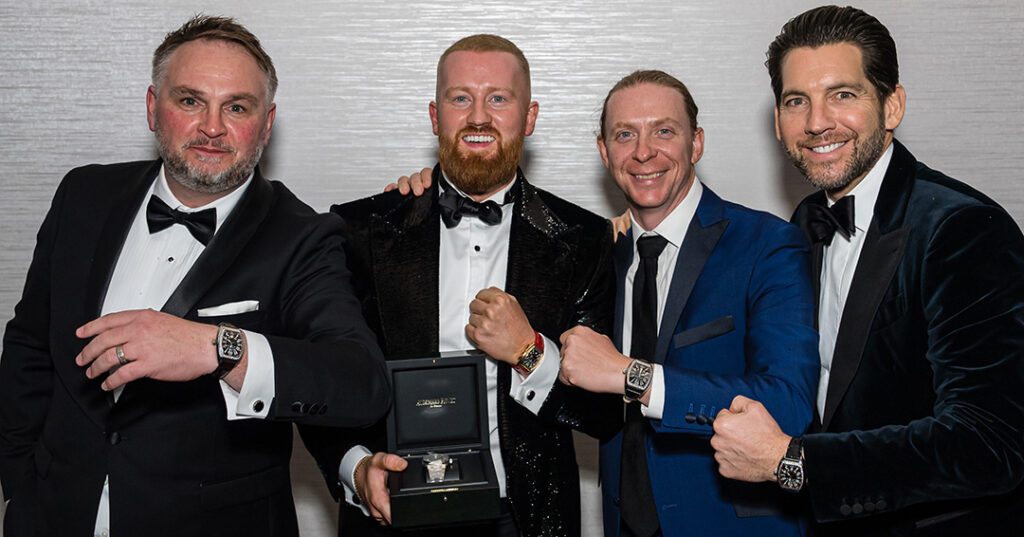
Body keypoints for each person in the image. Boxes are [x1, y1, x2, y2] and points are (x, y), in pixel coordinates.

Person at [0, 15, 390, 537]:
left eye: (236, 107)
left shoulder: (302, 237)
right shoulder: (82, 195)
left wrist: (217, 347)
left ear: (266, 123)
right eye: (190, 100)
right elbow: (29, 347)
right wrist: (20, 483)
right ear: (152, 108)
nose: (212, 126)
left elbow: (360, 382)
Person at [710, 5, 1024, 536]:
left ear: (892, 104)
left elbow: (989, 442)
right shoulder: (805, 223)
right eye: (796, 101)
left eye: (843, 94)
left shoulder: (962, 230)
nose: (816, 122)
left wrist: (794, 460)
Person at [304, 35, 619, 537]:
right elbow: (320, 377)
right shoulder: (360, 229)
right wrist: (355, 466)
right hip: (390, 512)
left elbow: (605, 412)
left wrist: (529, 353)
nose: (478, 117)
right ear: (435, 116)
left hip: (525, 517)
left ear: (529, 117)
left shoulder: (584, 240)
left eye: (498, 98)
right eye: (460, 98)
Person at [551, 70, 819, 537]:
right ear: (604, 152)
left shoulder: (767, 244)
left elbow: (789, 404)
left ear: (696, 143)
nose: (643, 151)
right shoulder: (600, 258)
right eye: (625, 134)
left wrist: (629, 376)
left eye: (664, 131)